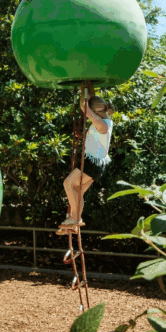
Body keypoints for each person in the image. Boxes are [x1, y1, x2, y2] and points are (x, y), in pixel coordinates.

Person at [57, 94, 115, 235]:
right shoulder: (106, 119)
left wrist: (85, 106)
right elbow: (98, 137)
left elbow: (102, 129)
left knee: (68, 184)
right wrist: (83, 136)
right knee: (77, 191)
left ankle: (75, 219)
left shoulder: (103, 123)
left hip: (92, 162)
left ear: (94, 111)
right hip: (97, 163)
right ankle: (75, 222)